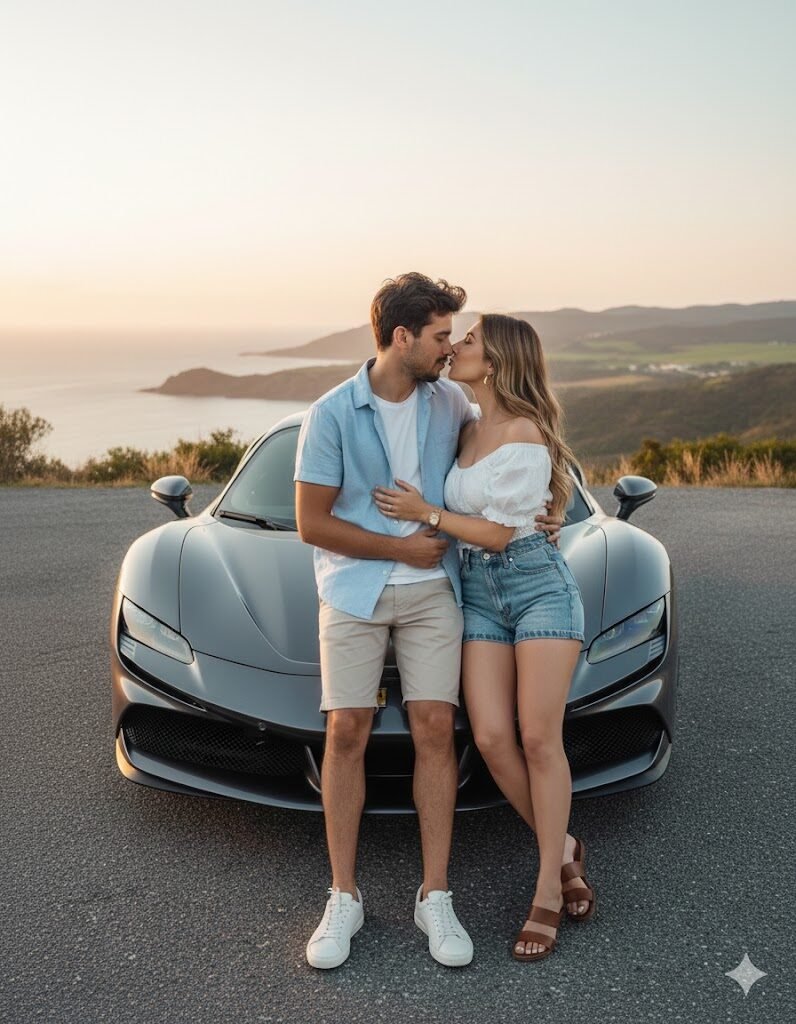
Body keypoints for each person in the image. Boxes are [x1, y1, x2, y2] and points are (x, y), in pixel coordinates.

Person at [294, 274, 562, 970]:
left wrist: (551, 506)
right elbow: (310, 523)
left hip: (438, 592)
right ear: (402, 337)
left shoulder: (453, 404)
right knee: (346, 728)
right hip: (352, 589)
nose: (451, 347)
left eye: (457, 336)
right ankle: (344, 897)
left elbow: (515, 454)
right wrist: (398, 548)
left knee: (435, 728)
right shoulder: (329, 414)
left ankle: (434, 895)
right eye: (442, 335)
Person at [373, 313, 596, 963]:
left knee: (536, 737)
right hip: (478, 592)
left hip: (536, 587)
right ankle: (566, 849)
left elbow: (500, 533)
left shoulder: (524, 432)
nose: (456, 347)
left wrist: (427, 515)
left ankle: (546, 892)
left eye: (466, 341)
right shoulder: (466, 424)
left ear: (494, 361)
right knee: (494, 739)